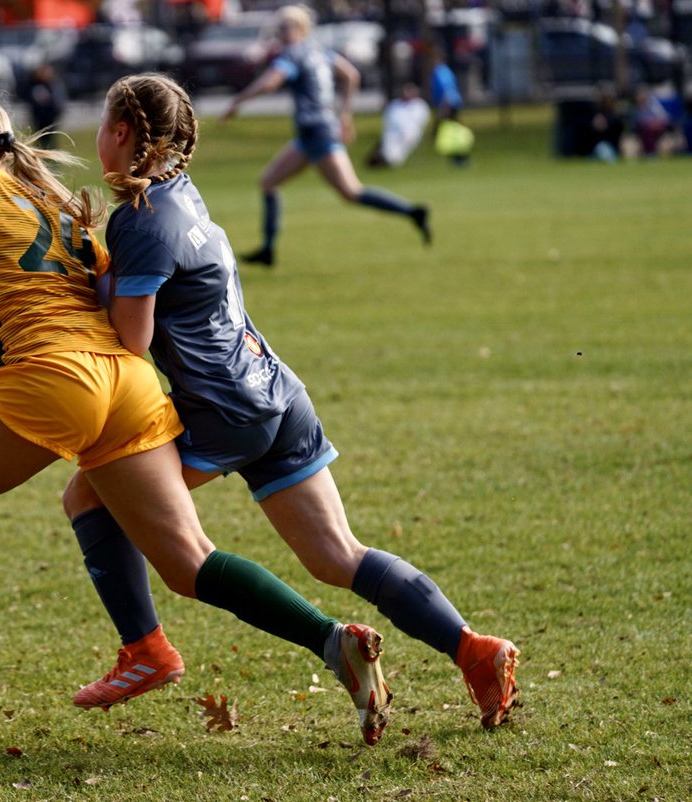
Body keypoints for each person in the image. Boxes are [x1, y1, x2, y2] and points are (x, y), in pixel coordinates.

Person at [0, 88, 392, 745]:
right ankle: (330, 640)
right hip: (131, 383)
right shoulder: (59, 202)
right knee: (188, 562)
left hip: (55, 379)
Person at [63, 73, 521, 732]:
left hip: (225, 414)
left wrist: (89, 275)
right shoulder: (181, 196)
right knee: (338, 555)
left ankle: (143, 650)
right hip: (276, 391)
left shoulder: (138, 218)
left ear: (125, 134)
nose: (97, 139)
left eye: (104, 126)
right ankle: (474, 649)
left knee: (87, 496)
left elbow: (131, 340)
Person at [222, 5, 430, 268]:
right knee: (268, 182)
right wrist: (344, 115)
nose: (281, 32)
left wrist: (237, 102)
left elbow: (270, 83)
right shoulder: (319, 51)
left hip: (317, 133)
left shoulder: (294, 54)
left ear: (299, 28)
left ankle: (413, 212)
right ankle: (267, 249)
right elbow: (350, 75)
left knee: (352, 192)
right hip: (312, 134)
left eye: (285, 27)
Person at [367, 82, 430, 168]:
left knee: (395, 155)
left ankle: (385, 160)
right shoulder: (395, 105)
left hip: (409, 135)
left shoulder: (420, 106)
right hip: (393, 134)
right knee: (389, 149)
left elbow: (419, 123)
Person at [25, 62, 68, 148]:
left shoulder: (54, 84)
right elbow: (29, 99)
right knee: (40, 138)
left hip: (51, 117)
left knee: (51, 138)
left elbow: (58, 101)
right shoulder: (34, 85)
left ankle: (51, 154)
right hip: (39, 118)